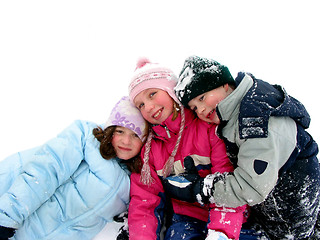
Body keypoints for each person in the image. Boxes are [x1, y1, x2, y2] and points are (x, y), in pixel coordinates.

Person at [163, 55, 320, 239]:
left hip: (288, 216)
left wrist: (201, 189)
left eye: (202, 98)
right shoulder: (238, 109)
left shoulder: (255, 121)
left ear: (224, 84)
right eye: (195, 108)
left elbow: (250, 187)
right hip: (272, 205)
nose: (202, 110)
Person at [127, 58, 247, 240]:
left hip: (231, 218)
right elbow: (144, 203)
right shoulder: (150, 151)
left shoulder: (208, 128)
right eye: (141, 105)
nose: (149, 107)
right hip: (186, 220)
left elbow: (228, 182)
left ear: (171, 91)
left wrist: (221, 234)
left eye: (152, 94)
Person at [0, 96, 148, 240]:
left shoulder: (134, 178)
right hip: (10, 214)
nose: (126, 141)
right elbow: (45, 171)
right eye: (120, 131)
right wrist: (7, 216)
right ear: (110, 129)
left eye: (135, 135)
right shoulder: (87, 139)